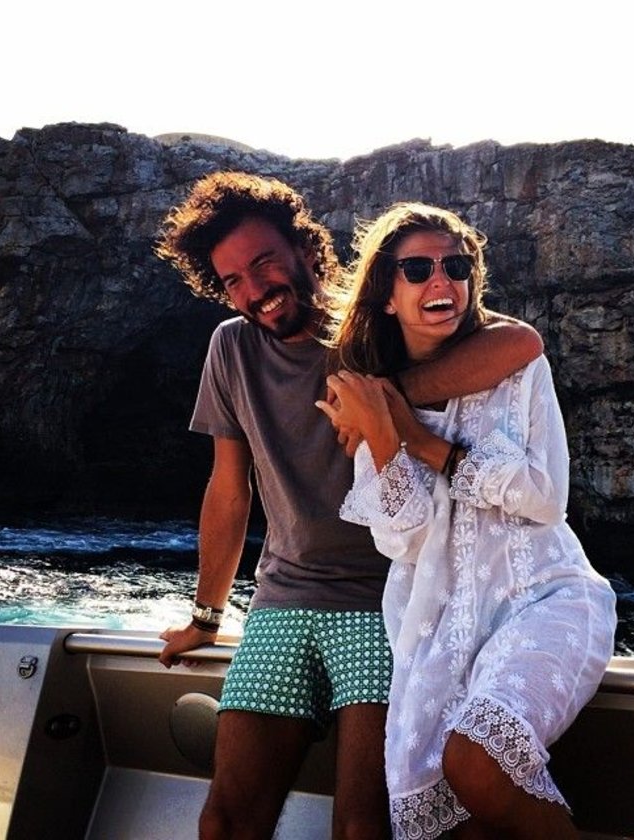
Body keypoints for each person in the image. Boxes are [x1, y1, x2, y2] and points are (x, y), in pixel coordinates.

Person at [154, 172, 543, 840]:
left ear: (307, 249)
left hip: (388, 604)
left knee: (364, 829)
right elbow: (228, 490)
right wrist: (206, 618)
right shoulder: (230, 348)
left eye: (264, 263)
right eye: (232, 280)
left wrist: (382, 395)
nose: (254, 290)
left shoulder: (376, 325)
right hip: (282, 602)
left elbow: (519, 343)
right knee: (223, 823)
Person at [317, 202, 617, 840]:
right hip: (439, 633)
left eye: (455, 267)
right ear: (386, 293)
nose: (441, 280)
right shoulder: (369, 394)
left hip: (547, 597)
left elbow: (545, 497)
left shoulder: (518, 368)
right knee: (453, 824)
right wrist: (385, 438)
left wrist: (416, 438)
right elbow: (404, 538)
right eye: (417, 269)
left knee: (477, 762)